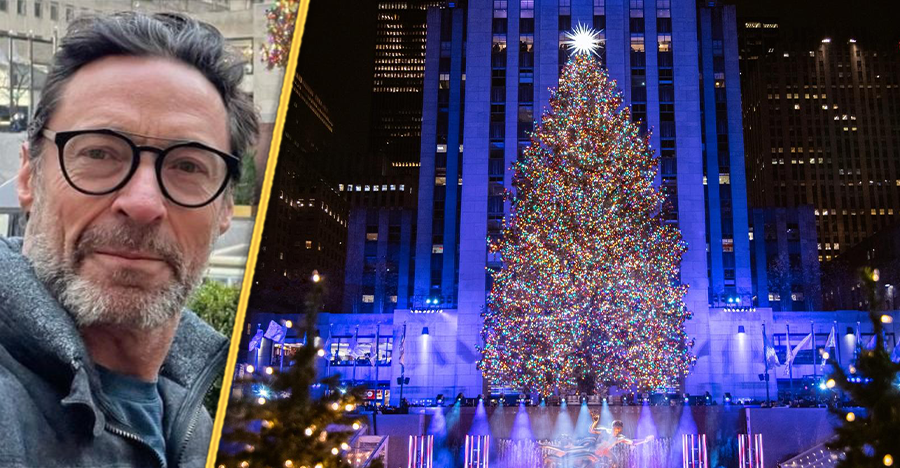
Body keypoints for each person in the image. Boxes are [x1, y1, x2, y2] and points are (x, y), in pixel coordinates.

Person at [0, 11, 258, 468]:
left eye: (187, 166)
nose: (142, 203)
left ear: (224, 209)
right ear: (28, 176)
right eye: (99, 152)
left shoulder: (193, 419)